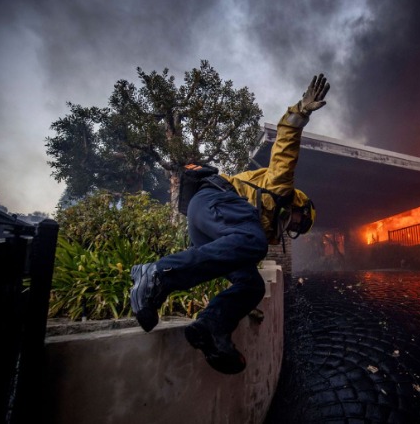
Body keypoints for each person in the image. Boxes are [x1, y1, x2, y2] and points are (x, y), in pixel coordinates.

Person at [129, 73, 330, 374]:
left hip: (208, 223)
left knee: (251, 285)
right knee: (254, 243)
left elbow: (230, 252)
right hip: (213, 200)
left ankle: (211, 327)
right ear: (299, 206)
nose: (294, 229)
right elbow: (286, 145)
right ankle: (157, 274)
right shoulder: (281, 189)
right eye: (300, 223)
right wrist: (301, 110)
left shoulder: (262, 223)